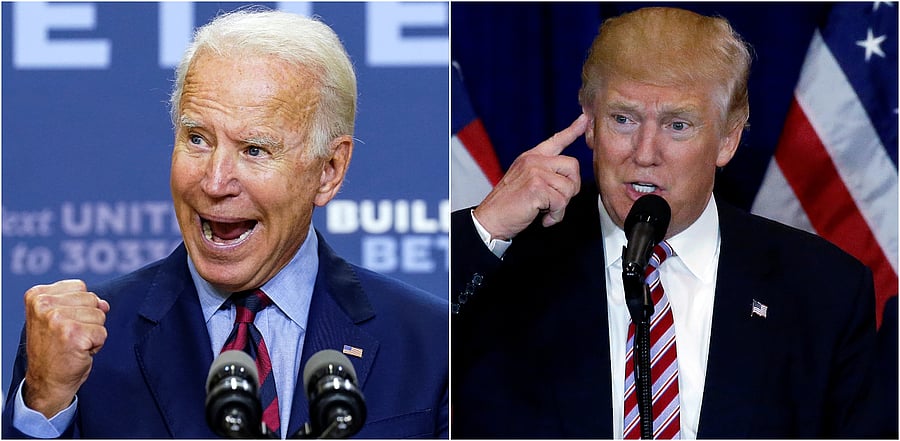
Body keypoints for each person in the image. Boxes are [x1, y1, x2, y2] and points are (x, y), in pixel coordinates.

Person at [2, 9, 448, 439]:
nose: (215, 183)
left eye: (254, 149)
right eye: (197, 139)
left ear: (329, 170)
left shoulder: (433, 344)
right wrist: (46, 399)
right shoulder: (79, 340)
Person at [451, 7, 876, 438]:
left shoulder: (824, 290)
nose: (645, 152)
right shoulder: (505, 263)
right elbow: (398, 353)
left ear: (728, 138)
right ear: (590, 122)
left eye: (677, 125)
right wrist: (485, 227)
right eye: (623, 119)